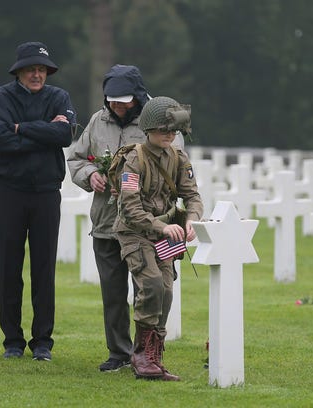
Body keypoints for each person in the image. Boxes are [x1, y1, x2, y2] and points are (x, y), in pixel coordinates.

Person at [0, 41, 76, 361]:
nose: (37, 74)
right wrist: (44, 132)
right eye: (31, 69)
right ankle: (12, 339)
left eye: (42, 69)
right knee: (9, 266)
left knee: (44, 268)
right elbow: (0, 139)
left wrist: (21, 128)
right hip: (10, 191)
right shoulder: (0, 98)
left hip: (46, 193)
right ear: (19, 72)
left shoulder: (59, 98)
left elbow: (65, 136)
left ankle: (42, 342)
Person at [113, 96, 203, 381]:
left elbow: (192, 195)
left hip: (165, 235)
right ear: (148, 128)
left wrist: (192, 219)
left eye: (173, 130)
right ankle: (141, 355)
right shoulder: (134, 159)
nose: (169, 135)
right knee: (150, 283)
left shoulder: (178, 158)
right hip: (135, 232)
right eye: (164, 129)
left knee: (165, 290)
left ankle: (153, 356)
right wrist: (161, 227)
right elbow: (130, 208)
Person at [67, 64, 149, 372]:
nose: (117, 105)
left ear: (138, 97)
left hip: (143, 223)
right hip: (105, 223)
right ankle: (119, 352)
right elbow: (76, 158)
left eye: (124, 100)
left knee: (147, 291)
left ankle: (146, 353)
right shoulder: (96, 122)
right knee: (113, 293)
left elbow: (174, 163)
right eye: (112, 99)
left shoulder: (155, 121)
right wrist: (91, 176)